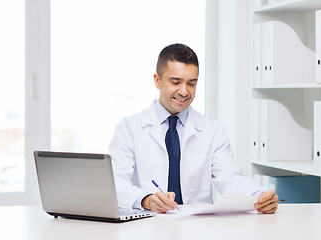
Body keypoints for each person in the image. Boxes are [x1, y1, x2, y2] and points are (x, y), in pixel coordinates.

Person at [109, 43, 278, 214]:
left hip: (197, 225)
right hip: (147, 223)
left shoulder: (213, 130)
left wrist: (260, 196)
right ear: (157, 81)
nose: (184, 91)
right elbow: (115, 182)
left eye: (191, 83)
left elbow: (229, 178)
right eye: (176, 82)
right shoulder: (129, 128)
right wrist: (146, 199)